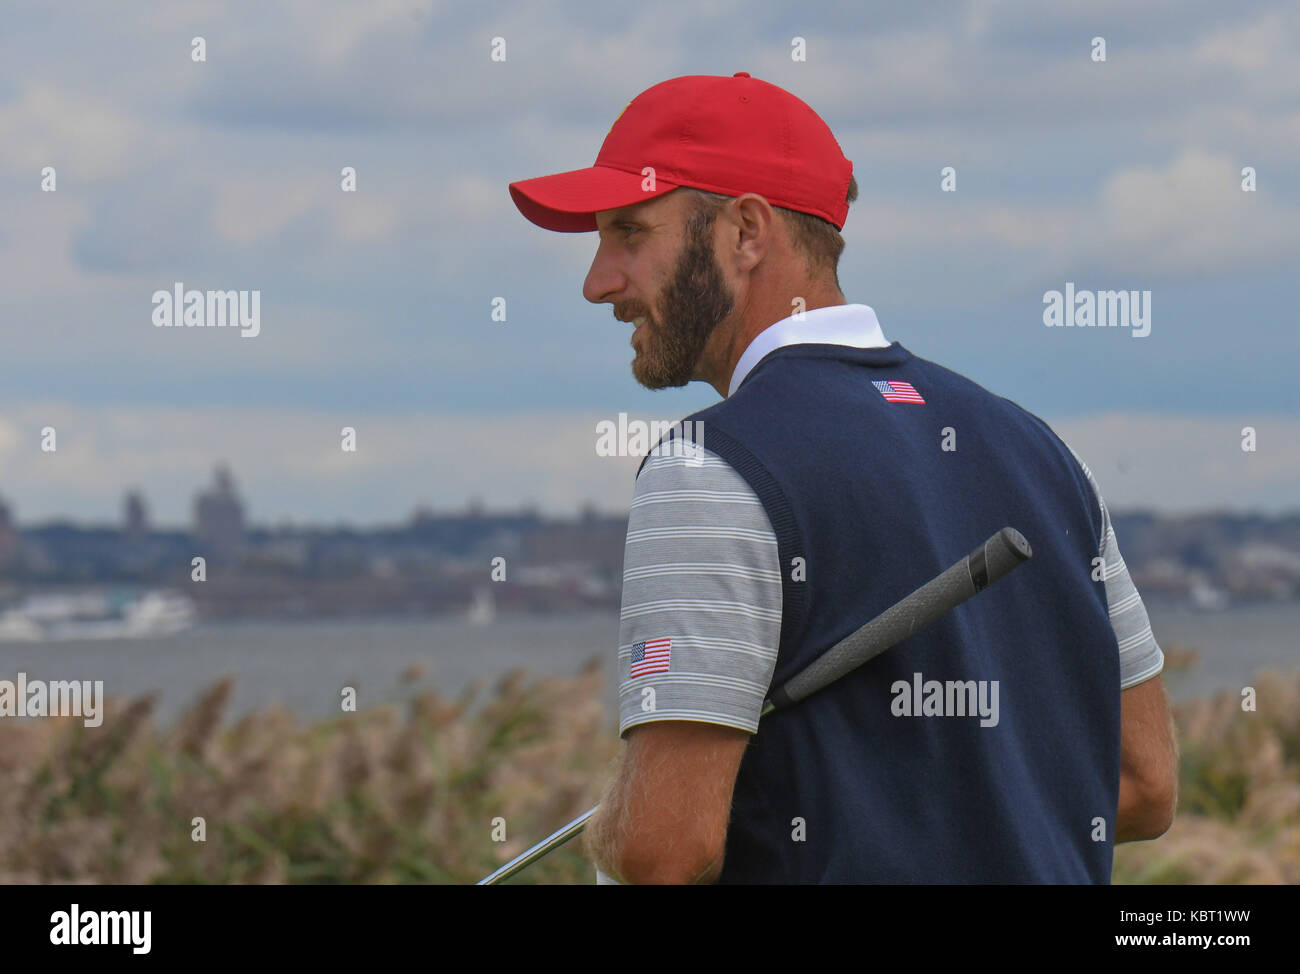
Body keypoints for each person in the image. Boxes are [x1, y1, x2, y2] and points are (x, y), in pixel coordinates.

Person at [508, 73, 1178, 884]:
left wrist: (621, 821)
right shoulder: (1041, 451)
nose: (598, 281)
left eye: (629, 233)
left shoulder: (706, 469)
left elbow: (663, 851)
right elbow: (1145, 787)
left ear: (745, 231)